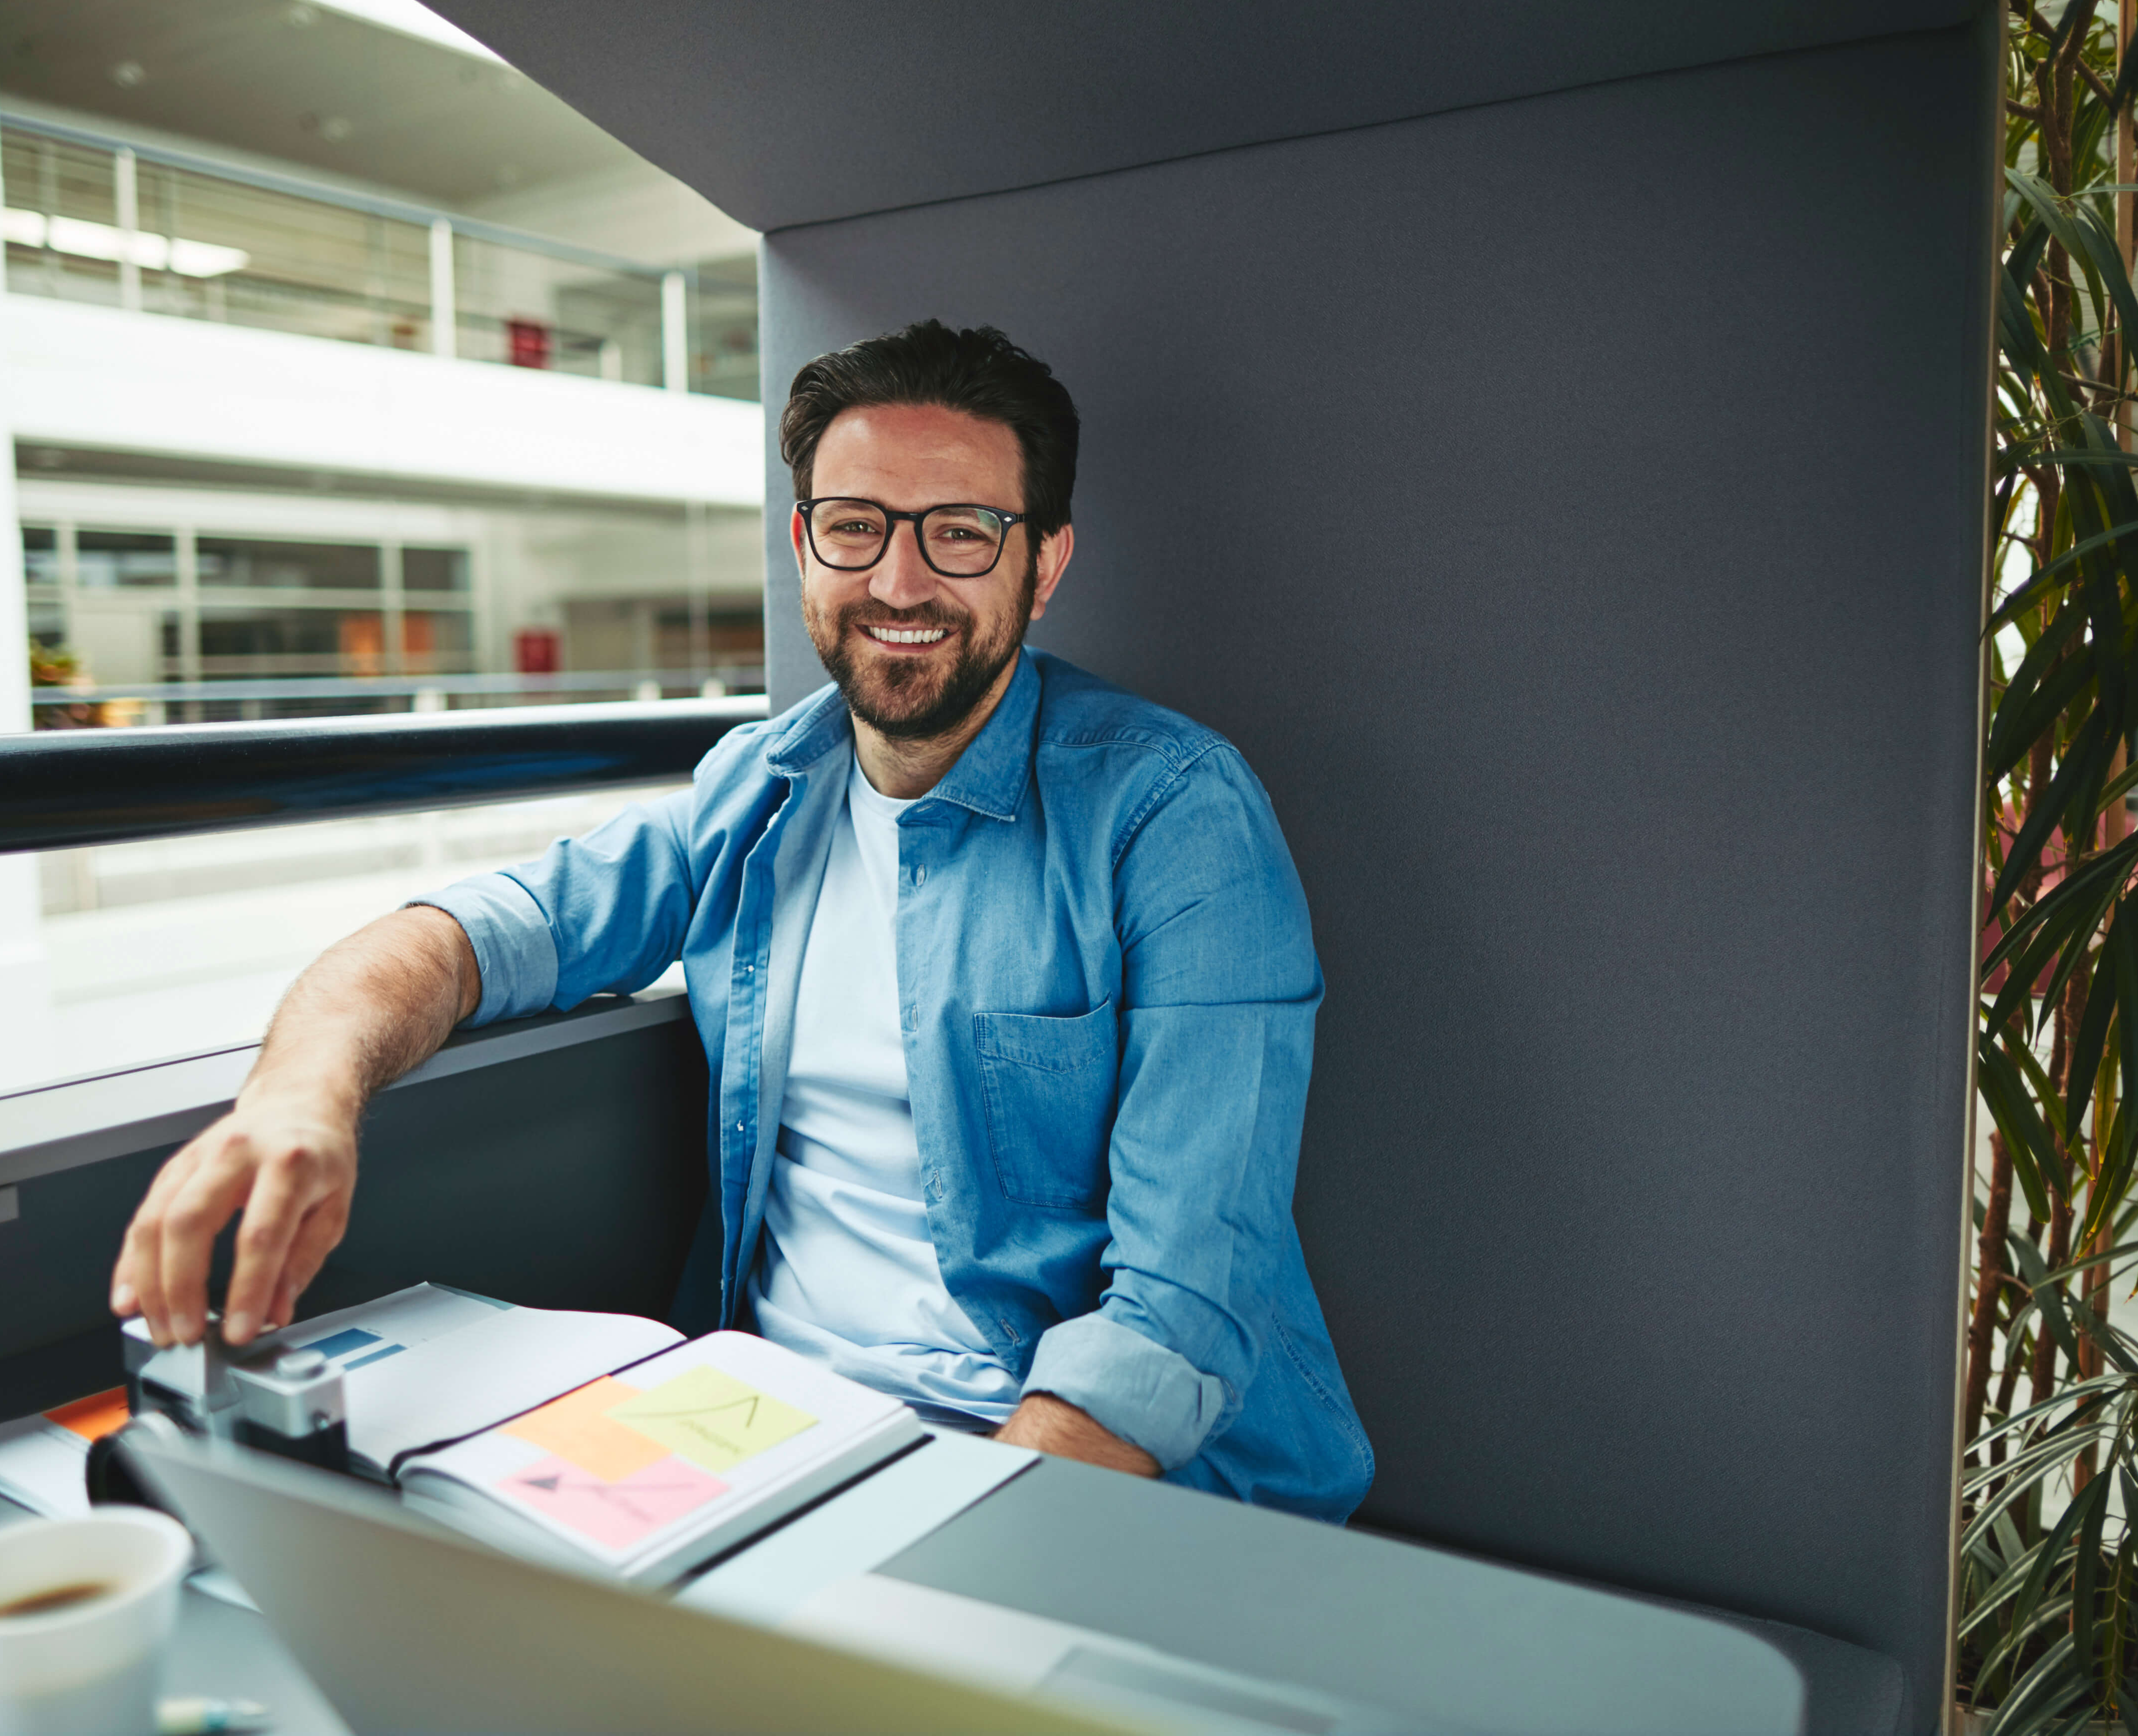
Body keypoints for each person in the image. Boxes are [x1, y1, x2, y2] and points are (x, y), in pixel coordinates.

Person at [110, 321, 1373, 1520]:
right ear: (805, 545)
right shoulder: (756, 794)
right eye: (858, 526)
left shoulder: (1174, 814)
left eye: (963, 534)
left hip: (1080, 1481)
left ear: (1044, 564)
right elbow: (461, 938)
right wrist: (300, 1101)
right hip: (772, 1442)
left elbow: (1181, 1311)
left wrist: (947, 1546)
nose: (900, 579)